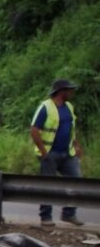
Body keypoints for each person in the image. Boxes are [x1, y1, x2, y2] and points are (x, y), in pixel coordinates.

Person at [30, 79, 85, 227]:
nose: (71, 93)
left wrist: (76, 145)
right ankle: (46, 217)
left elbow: (71, 129)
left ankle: (69, 214)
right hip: (50, 153)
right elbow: (34, 130)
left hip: (68, 153)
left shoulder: (69, 107)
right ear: (61, 92)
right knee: (48, 185)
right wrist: (44, 153)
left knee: (76, 181)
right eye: (69, 90)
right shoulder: (45, 107)